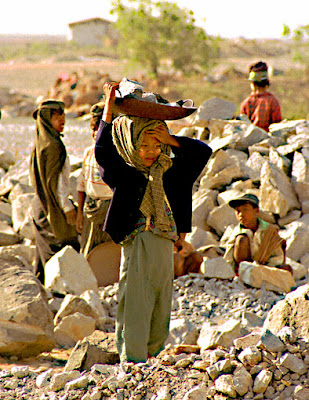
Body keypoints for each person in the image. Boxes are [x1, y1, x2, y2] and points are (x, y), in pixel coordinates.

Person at [95, 82, 212, 363]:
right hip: (139, 241)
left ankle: (153, 352)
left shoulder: (170, 170)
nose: (150, 151)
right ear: (131, 144)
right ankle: (133, 359)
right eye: (143, 144)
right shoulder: (124, 172)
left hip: (165, 240)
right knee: (136, 300)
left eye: (156, 145)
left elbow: (202, 152)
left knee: (161, 302)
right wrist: (108, 111)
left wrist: (170, 140)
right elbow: (102, 150)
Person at [30, 99, 80, 284]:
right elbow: (57, 183)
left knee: (43, 250)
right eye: (57, 117)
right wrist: (67, 207)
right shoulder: (53, 147)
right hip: (51, 206)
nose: (62, 120)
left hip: (40, 205)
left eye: (63, 116)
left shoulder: (41, 144)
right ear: (46, 119)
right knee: (63, 246)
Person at [76, 101, 114, 257]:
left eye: (100, 130)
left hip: (110, 207)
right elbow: (81, 185)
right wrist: (79, 213)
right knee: (88, 249)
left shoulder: (116, 155)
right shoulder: (88, 153)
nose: (96, 134)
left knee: (108, 249)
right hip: (91, 207)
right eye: (93, 129)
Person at [223, 193, 291, 275]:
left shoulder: (269, 230)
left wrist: (263, 268)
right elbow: (228, 259)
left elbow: (278, 257)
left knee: (287, 269)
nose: (241, 214)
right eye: (238, 211)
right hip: (244, 271)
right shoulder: (236, 233)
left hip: (265, 268)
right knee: (241, 239)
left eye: (245, 209)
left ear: (256, 210)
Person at [240, 61, 282, 132]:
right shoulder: (272, 101)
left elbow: (242, 126)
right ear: (267, 84)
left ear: (252, 84)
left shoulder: (246, 103)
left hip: (249, 141)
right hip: (268, 140)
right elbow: (277, 126)